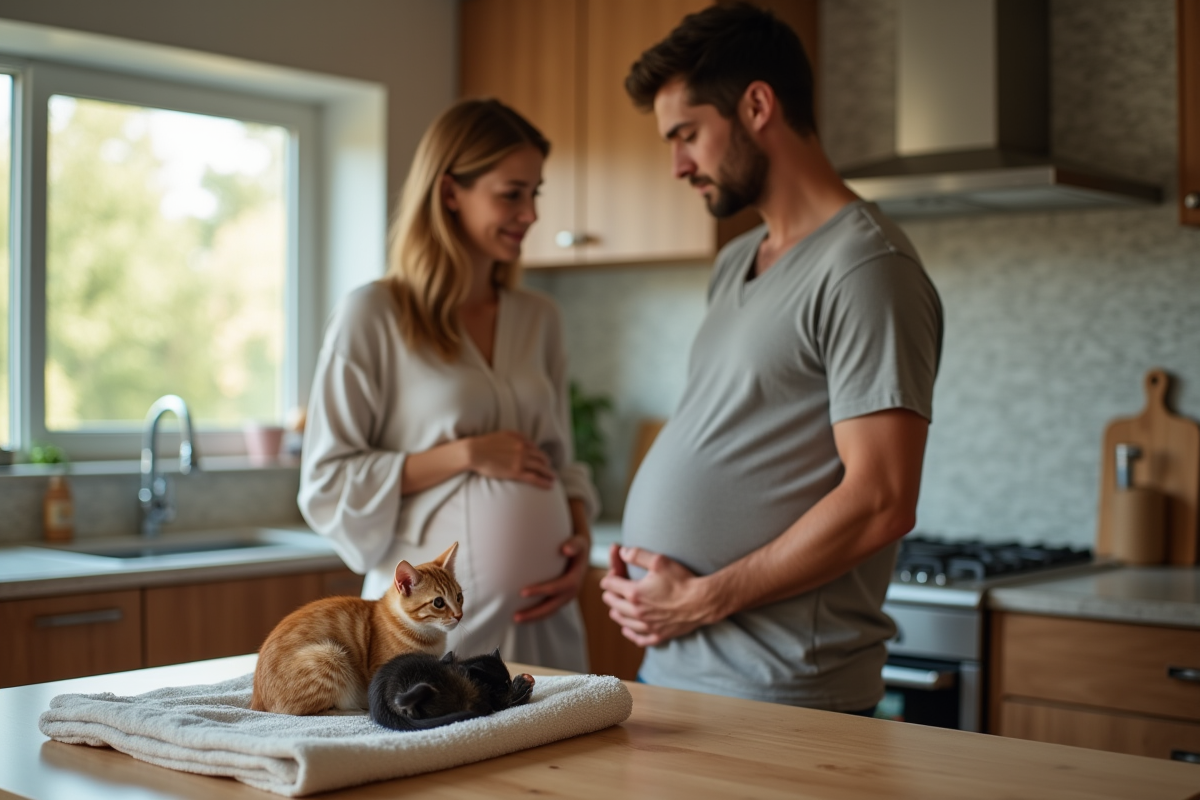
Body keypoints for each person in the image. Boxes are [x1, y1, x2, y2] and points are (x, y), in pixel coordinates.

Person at [600, 3, 943, 714]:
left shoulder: (865, 268)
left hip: (783, 694)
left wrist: (701, 598)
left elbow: (881, 499)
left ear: (757, 105)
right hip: (680, 674)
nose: (676, 165)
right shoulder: (734, 263)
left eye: (687, 134)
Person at [299, 99, 598, 672]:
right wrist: (463, 455)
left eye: (535, 193)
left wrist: (578, 541)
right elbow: (326, 480)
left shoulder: (540, 318)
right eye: (512, 193)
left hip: (543, 618)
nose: (531, 213)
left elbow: (563, 464)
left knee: (560, 751)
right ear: (449, 192)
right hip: (429, 629)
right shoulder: (373, 315)